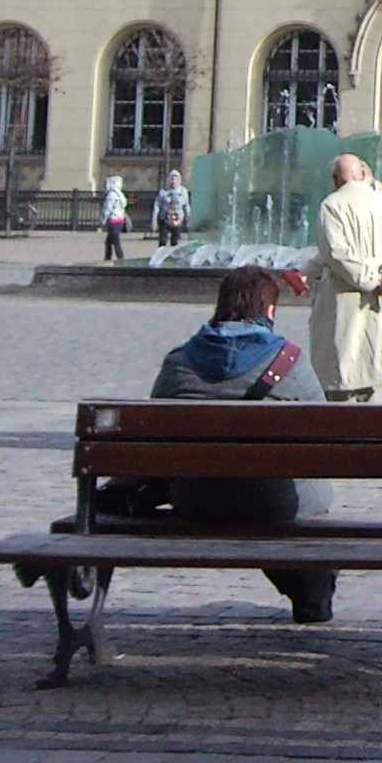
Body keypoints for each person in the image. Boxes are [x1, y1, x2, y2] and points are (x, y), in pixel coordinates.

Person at [148, 265, 338, 623]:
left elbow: (154, 438)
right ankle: (311, 592)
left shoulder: (178, 362)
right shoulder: (291, 362)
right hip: (274, 503)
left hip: (197, 500)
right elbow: (324, 437)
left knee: (250, 495)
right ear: (269, 310)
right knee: (294, 494)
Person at [309, 153, 382, 401]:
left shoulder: (332, 205)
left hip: (342, 295)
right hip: (381, 298)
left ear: (336, 179)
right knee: (372, 363)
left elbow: (336, 253)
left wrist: (370, 280)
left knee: (341, 368)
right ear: (361, 174)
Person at [153, 169, 191, 249]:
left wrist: (189, 221)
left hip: (178, 221)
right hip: (165, 220)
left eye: (176, 180)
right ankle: (161, 255)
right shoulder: (163, 192)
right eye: (172, 179)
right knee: (162, 242)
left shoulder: (183, 191)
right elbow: (157, 206)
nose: (173, 182)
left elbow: (186, 206)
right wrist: (154, 220)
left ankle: (173, 256)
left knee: (175, 244)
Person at [100, 175, 130, 262]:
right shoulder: (121, 194)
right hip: (120, 220)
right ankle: (107, 258)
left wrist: (102, 221)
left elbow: (107, 209)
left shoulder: (111, 195)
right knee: (109, 241)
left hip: (113, 221)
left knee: (115, 242)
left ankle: (120, 258)